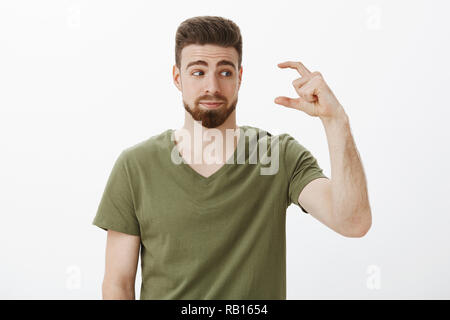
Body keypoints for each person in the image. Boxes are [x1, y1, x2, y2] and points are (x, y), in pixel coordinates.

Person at [92, 15, 372, 300]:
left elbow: (353, 222)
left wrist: (336, 120)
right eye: (198, 72)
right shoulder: (135, 167)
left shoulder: (278, 156)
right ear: (178, 77)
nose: (212, 86)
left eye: (225, 72)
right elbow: (118, 285)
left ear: (240, 76)